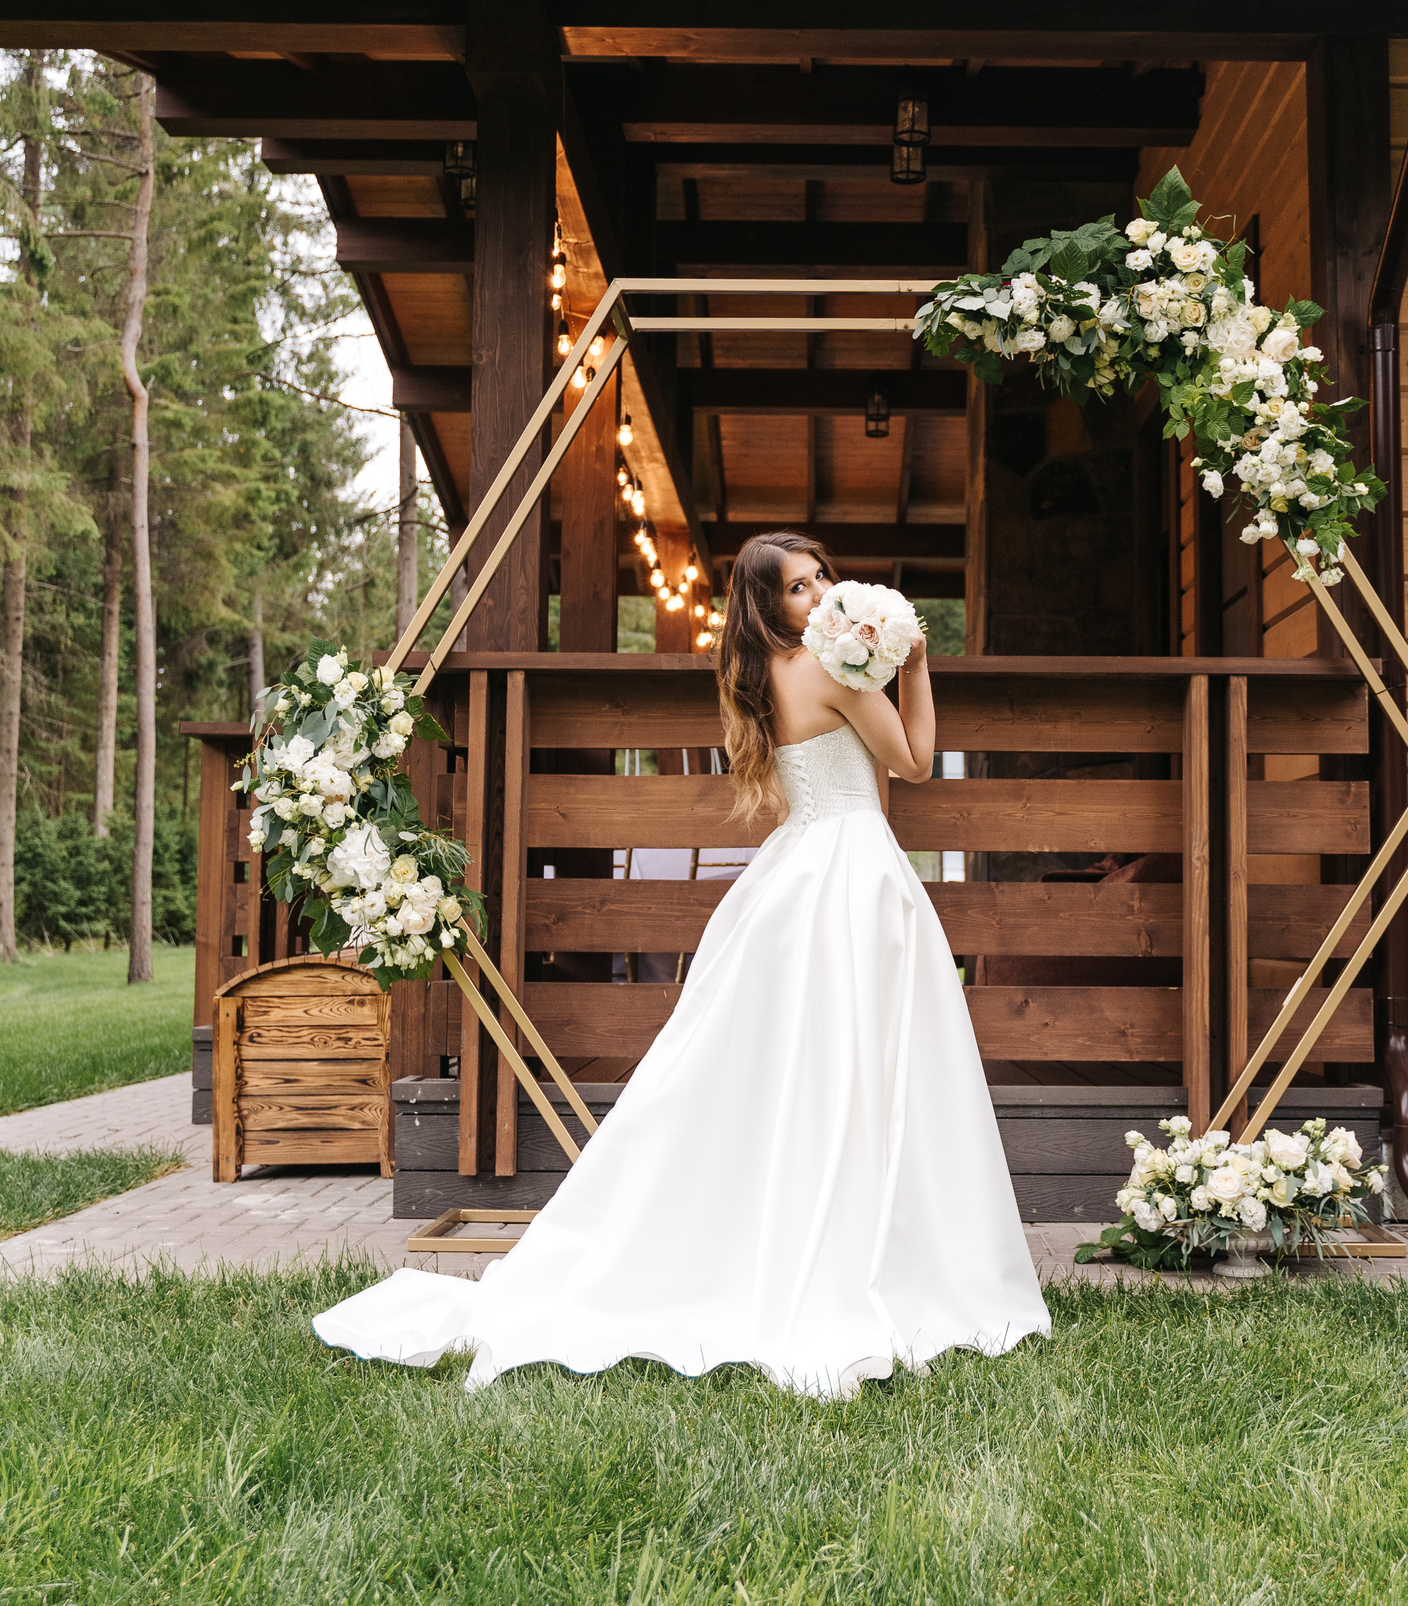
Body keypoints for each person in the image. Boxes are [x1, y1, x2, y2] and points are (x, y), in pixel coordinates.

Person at [314, 532, 1050, 1397]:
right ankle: (863, 1242)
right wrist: (916, 665)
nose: (818, 597)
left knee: (798, 1066)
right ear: (770, 608)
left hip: (806, 870)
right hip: (849, 875)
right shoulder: (827, 672)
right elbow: (914, 762)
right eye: (799, 589)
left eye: (821, 579)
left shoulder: (772, 677)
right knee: (853, 1060)